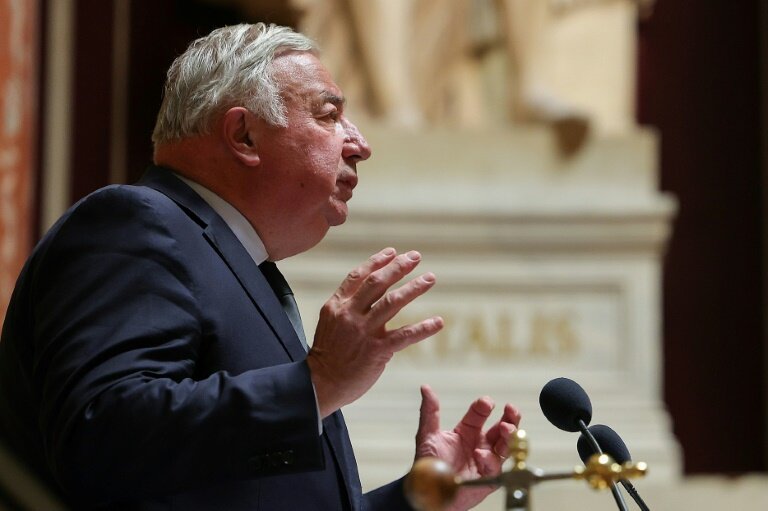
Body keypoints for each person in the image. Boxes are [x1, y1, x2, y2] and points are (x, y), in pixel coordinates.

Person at [0, 23, 520, 510]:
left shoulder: (249, 270)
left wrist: (418, 499)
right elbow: (102, 438)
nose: (361, 144)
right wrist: (317, 382)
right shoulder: (136, 224)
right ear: (244, 135)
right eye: (329, 115)